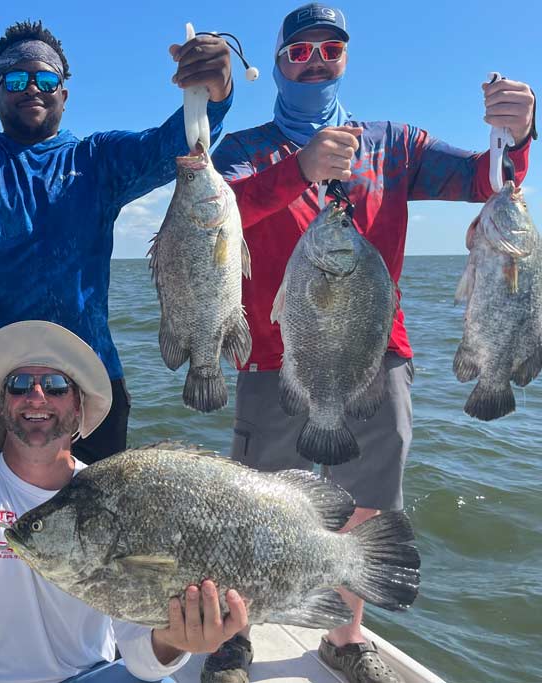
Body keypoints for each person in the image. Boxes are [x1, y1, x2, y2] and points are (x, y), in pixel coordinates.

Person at [207, 4, 535, 683]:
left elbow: (484, 176)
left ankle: (345, 634)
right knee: (257, 502)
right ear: (278, 62)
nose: (317, 60)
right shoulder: (242, 148)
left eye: (332, 49)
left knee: (369, 500)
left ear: (348, 60)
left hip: (377, 352)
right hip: (274, 355)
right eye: (301, 51)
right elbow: (216, 215)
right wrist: (297, 169)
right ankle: (233, 634)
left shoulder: (395, 144)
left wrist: (520, 131)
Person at [0, 21, 236, 466]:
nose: (32, 88)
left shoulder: (99, 162)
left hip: (90, 388)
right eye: (15, 80)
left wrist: (214, 92)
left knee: (92, 528)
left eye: (46, 79)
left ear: (64, 95)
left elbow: (178, 145)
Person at [0, 320, 249, 683]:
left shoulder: (116, 497)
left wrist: (171, 640)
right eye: (19, 384)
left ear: (78, 406)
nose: (36, 396)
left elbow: (140, 659)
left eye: (55, 385)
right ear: (3, 404)